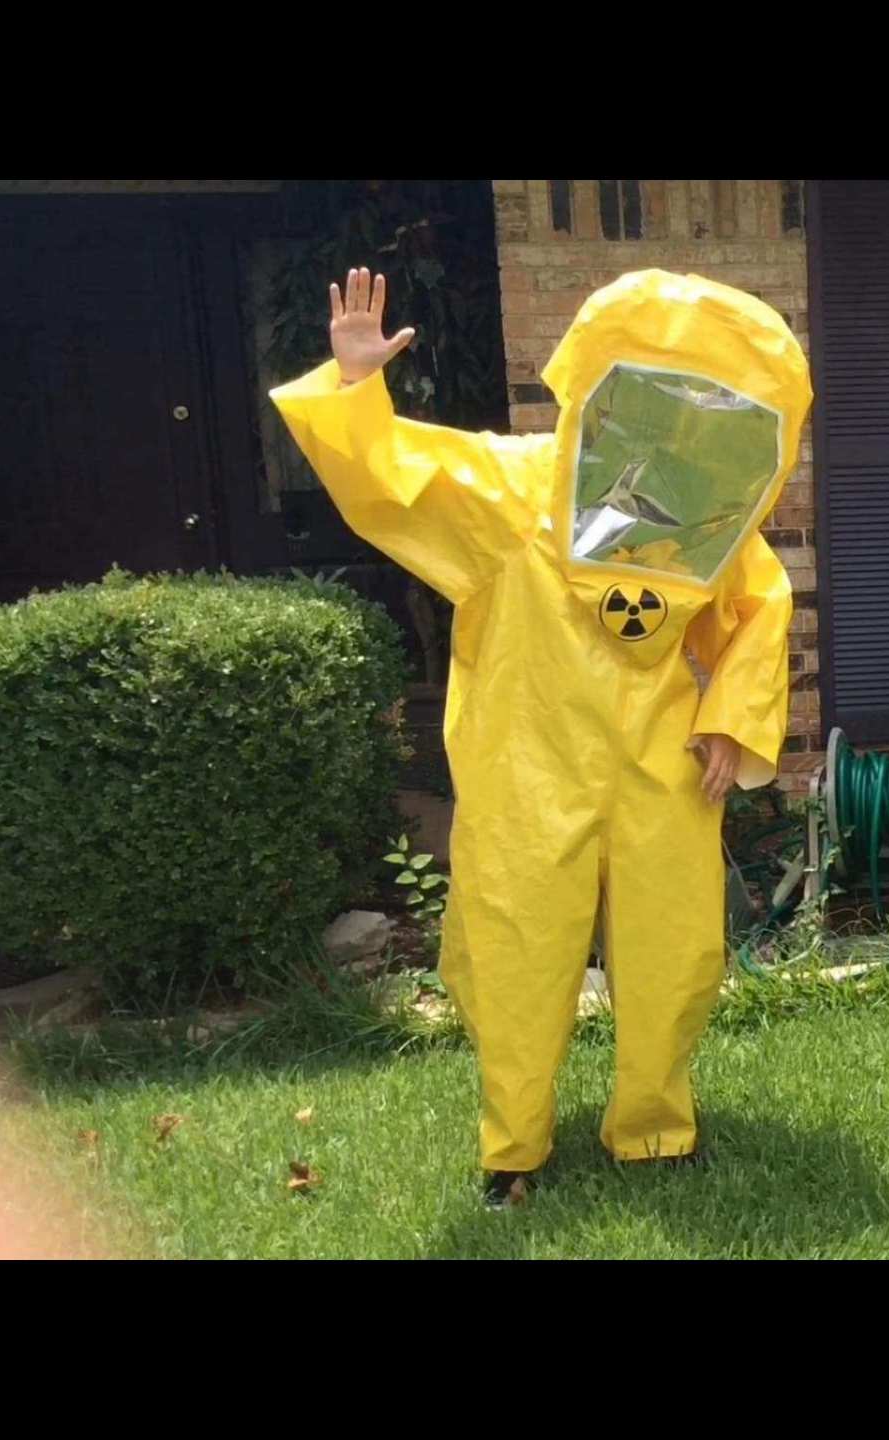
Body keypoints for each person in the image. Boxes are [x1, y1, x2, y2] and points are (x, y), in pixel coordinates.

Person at [272, 268, 809, 1208]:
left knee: (672, 948)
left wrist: (730, 717)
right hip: (529, 767)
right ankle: (513, 1146)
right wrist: (358, 388)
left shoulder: (708, 512)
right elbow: (396, 482)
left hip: (664, 764)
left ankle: (655, 1128)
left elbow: (757, 604)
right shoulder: (511, 490)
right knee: (517, 952)